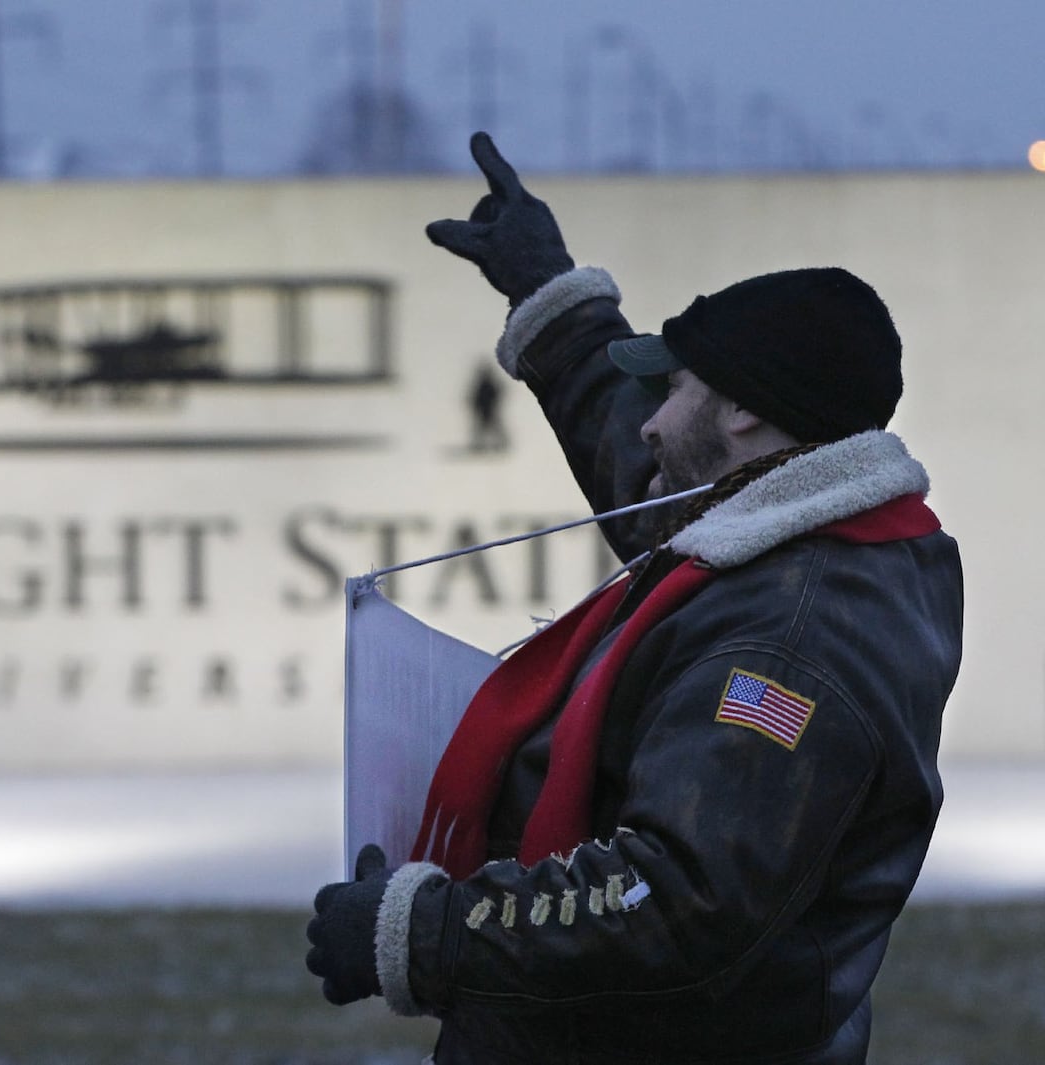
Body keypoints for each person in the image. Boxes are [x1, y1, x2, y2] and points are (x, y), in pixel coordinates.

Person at [305, 132, 964, 1064]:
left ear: (742, 412)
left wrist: (421, 931)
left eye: (677, 386)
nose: (651, 417)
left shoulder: (788, 638)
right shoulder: (782, 532)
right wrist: (549, 294)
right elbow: (643, 459)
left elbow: (682, 902)